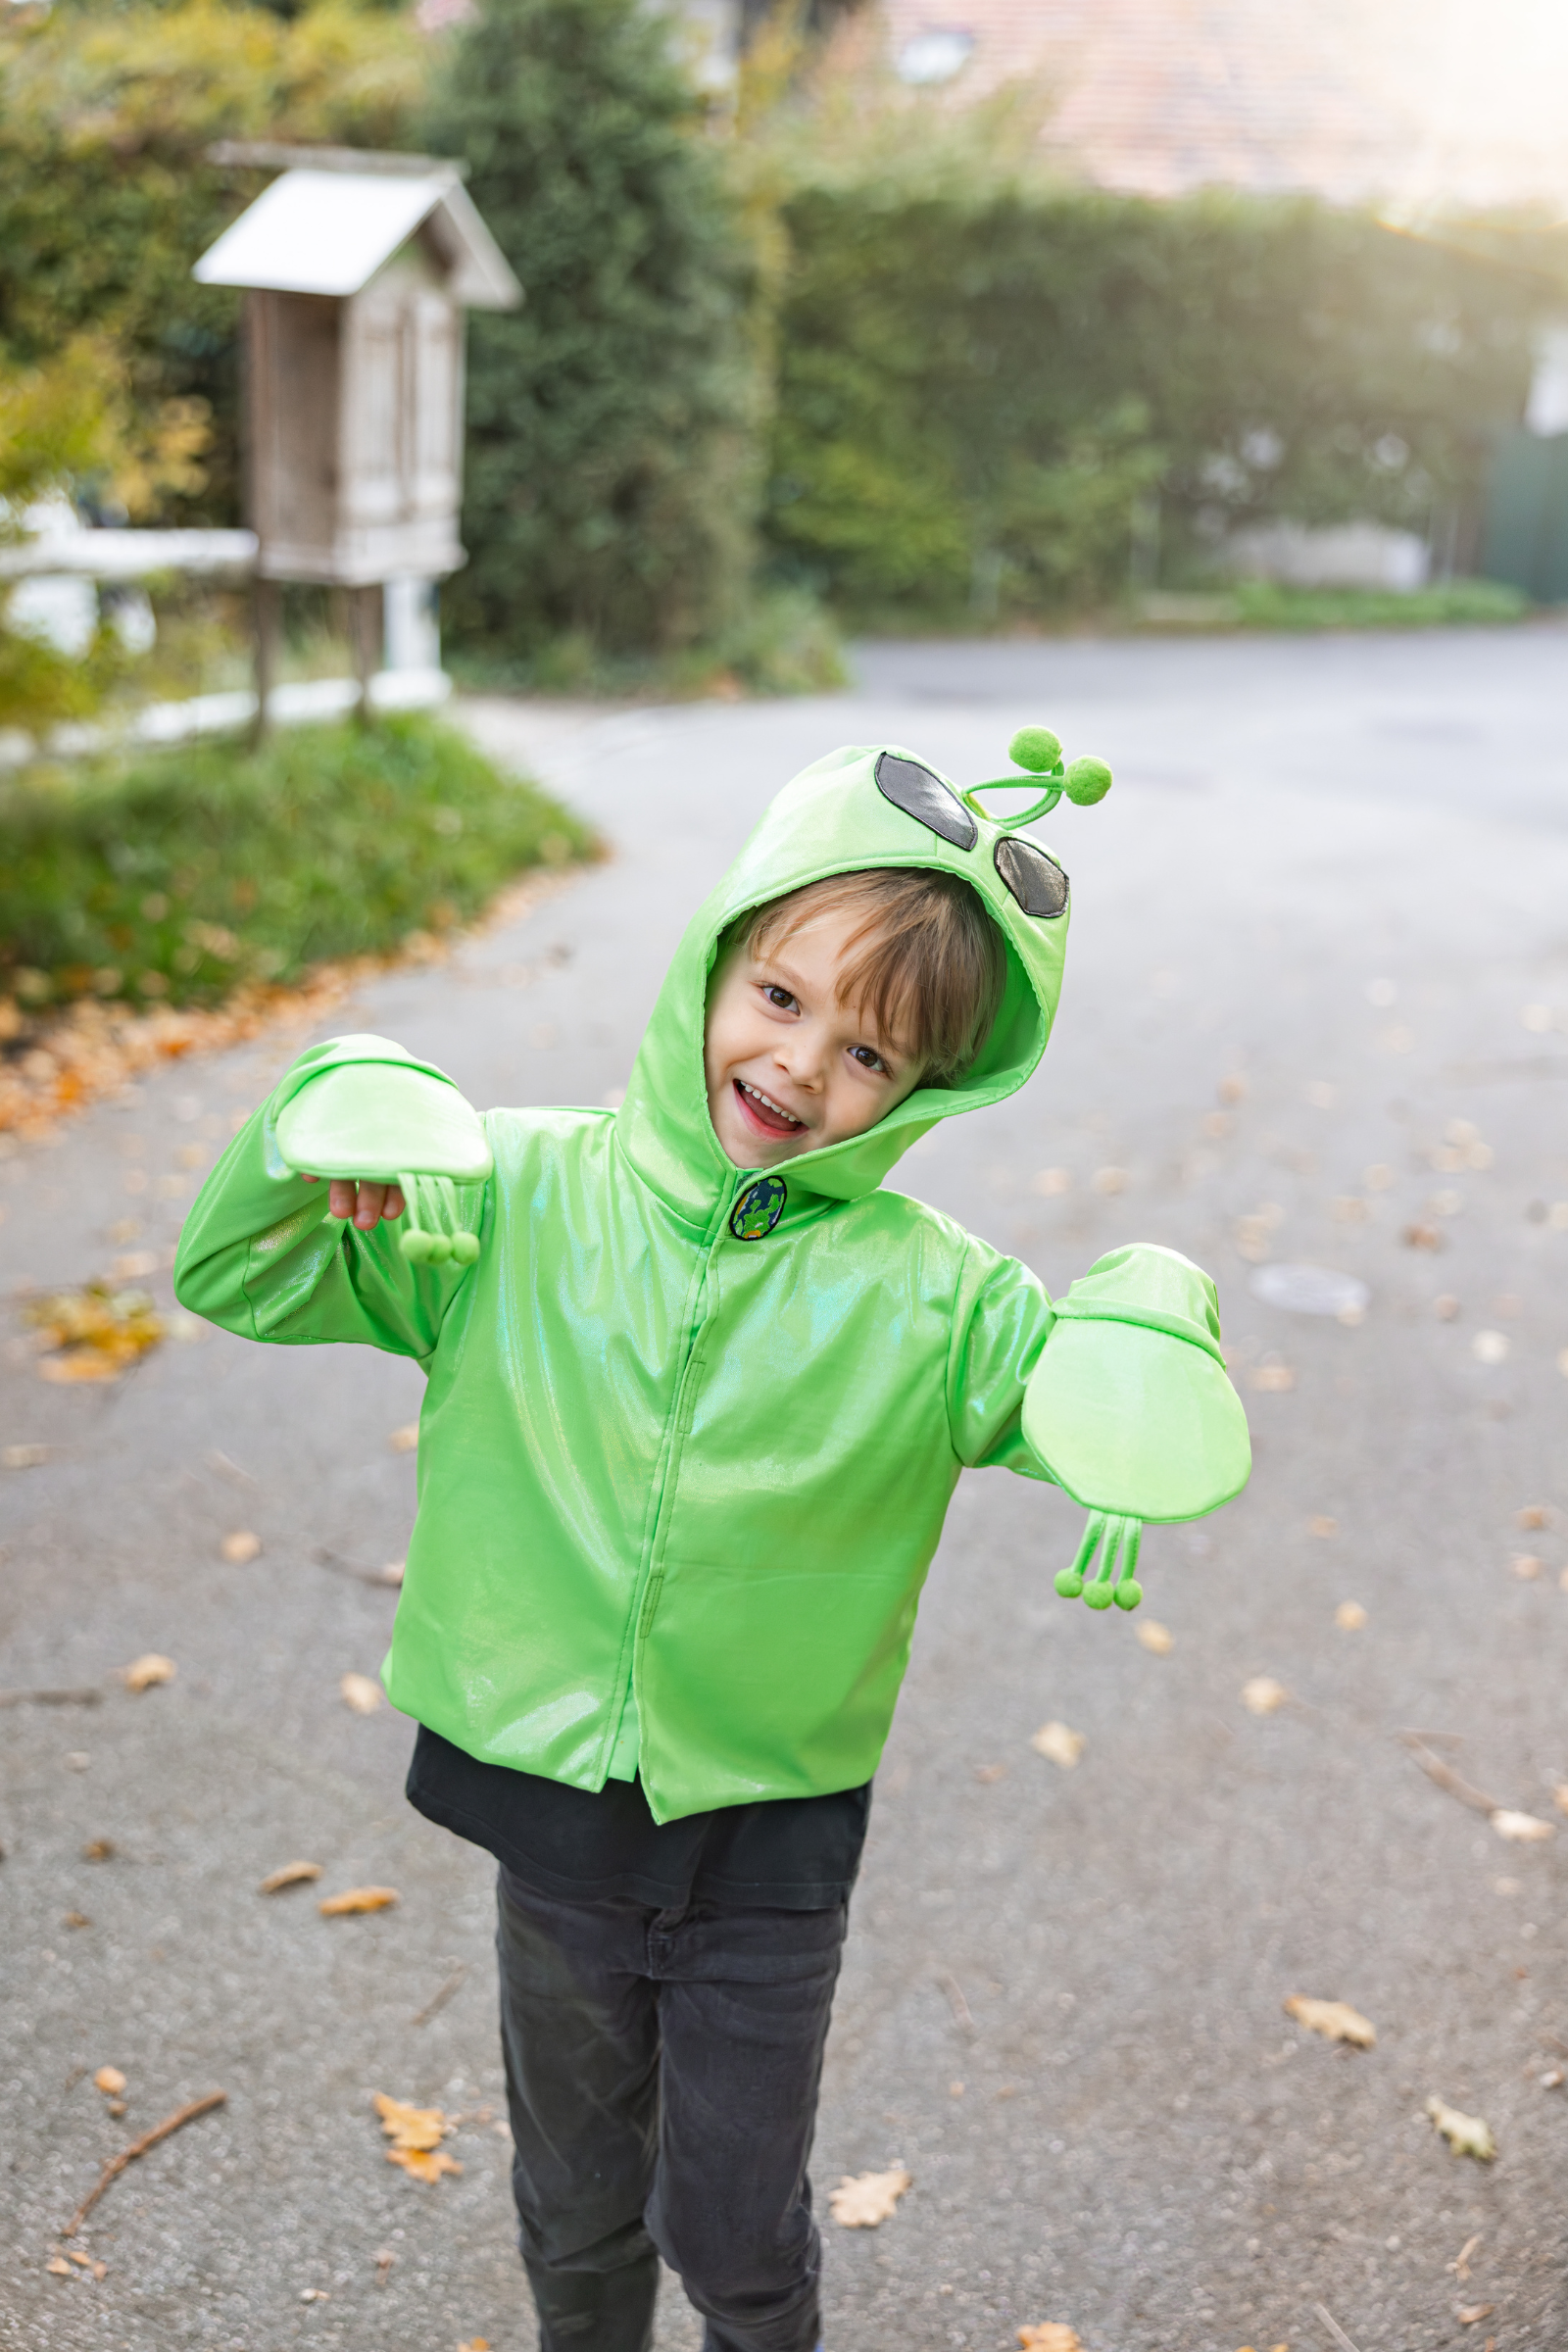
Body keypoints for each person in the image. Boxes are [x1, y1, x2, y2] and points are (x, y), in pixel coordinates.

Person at [174, 735, 1248, 2352]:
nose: (803, 1065)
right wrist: (322, 1113)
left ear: (927, 1089)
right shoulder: (507, 1195)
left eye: (870, 1053)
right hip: (555, 1824)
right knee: (575, 2208)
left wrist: (1151, 1323)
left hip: (767, 1849)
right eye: (781, 996)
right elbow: (238, 1277)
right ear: (714, 958)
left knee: (734, 2234)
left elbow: (1096, 1400)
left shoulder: (944, 1298)